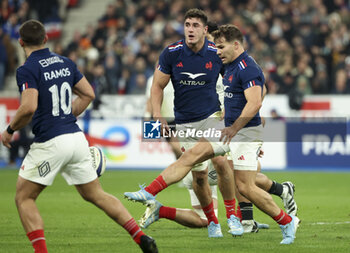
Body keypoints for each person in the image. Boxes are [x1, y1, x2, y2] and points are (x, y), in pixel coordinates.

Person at [126, 24, 299, 244]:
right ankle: (149, 192)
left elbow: (255, 99)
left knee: (245, 185)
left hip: (241, 132)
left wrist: (243, 125)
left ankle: (282, 220)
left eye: (220, 47)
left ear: (235, 45)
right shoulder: (223, 67)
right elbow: (152, 109)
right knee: (192, 157)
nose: (216, 51)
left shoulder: (247, 67)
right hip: (215, 128)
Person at [0, 20, 158, 253]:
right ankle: (140, 236)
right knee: (96, 195)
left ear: (21, 42)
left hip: (51, 142)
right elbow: (88, 93)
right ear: (46, 39)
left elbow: (29, 107)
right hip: (76, 138)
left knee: (24, 198)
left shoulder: (27, 69)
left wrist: (10, 130)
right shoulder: (66, 62)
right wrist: (66, 114)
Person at [126, 9, 242, 238]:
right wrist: (157, 116)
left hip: (213, 117)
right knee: (199, 176)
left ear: (205, 30)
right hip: (184, 123)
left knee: (220, 161)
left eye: (195, 25)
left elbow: (234, 80)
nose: (190, 29)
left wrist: (233, 109)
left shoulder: (215, 54)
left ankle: (233, 217)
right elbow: (157, 86)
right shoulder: (171, 53)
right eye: (187, 24)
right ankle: (212, 222)